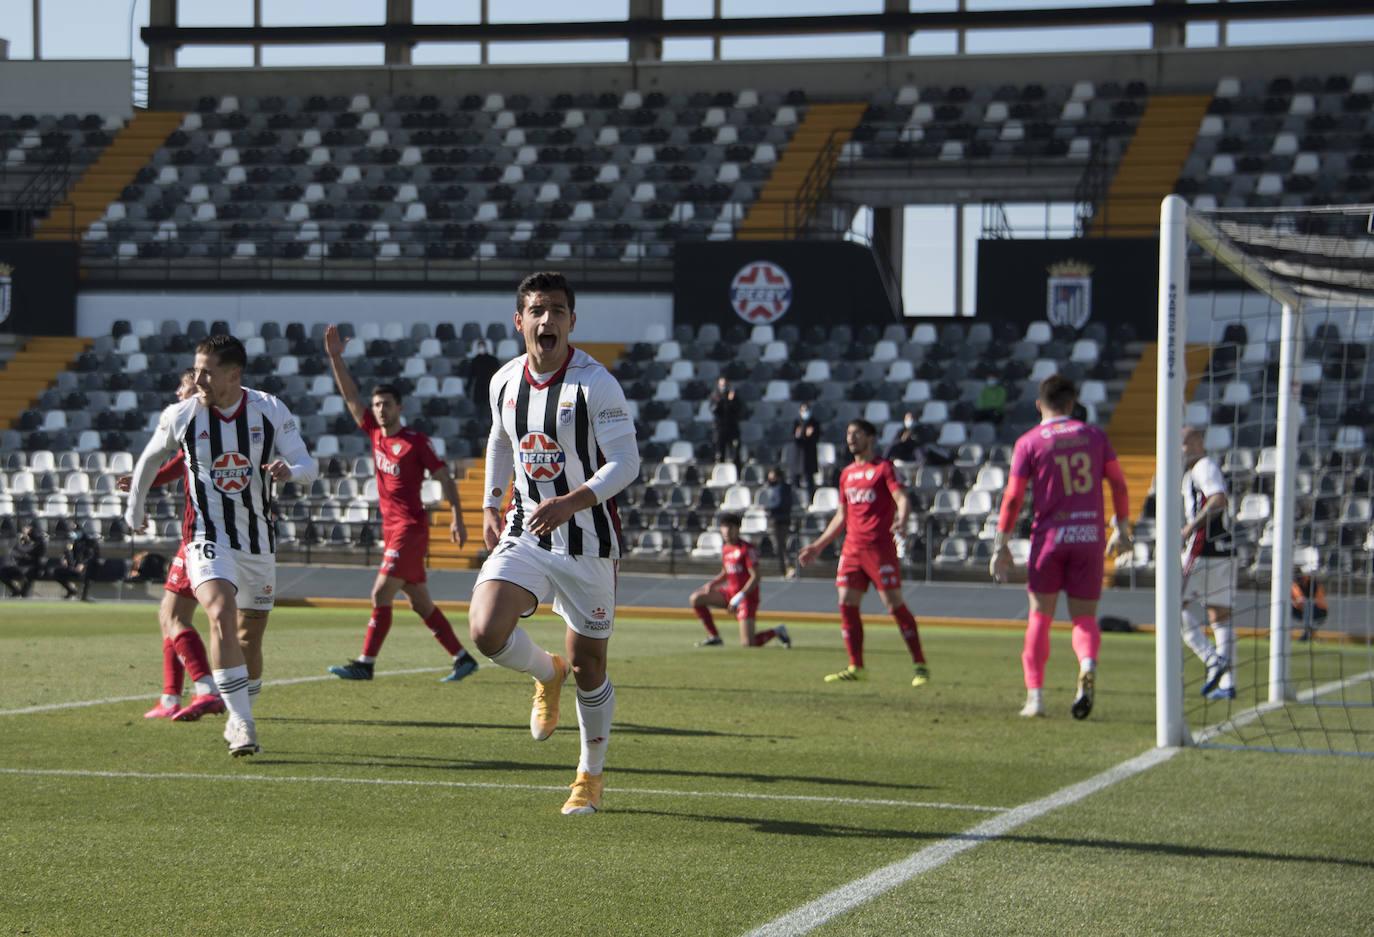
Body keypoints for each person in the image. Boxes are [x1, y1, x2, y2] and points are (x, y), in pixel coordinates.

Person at [467, 271, 639, 816]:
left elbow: (626, 464)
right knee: (485, 628)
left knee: (590, 664)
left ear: (571, 321)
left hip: (589, 541)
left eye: (558, 310)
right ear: (520, 321)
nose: (548, 320)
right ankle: (546, 673)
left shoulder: (596, 384)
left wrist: (571, 502)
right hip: (527, 530)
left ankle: (589, 776)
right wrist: (492, 502)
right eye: (537, 310)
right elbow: (499, 438)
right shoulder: (503, 382)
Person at [125, 334, 318, 756]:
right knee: (219, 611)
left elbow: (309, 465)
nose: (199, 379)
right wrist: (133, 511)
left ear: (234, 374)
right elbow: (149, 460)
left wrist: (290, 470)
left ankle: (241, 704)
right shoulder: (182, 414)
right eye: (196, 370)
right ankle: (242, 722)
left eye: (207, 372)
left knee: (250, 642)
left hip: (258, 542)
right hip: (206, 537)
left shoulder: (268, 409)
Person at [322, 325, 477, 683]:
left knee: (380, 593)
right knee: (420, 602)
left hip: (410, 528)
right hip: (391, 529)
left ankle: (365, 663)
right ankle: (462, 657)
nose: (378, 410)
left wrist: (457, 517)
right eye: (376, 405)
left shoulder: (415, 442)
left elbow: (445, 478)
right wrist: (335, 358)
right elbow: (349, 397)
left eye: (385, 404)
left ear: (399, 407)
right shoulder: (374, 433)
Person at [989, 374, 1132, 720]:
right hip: (1089, 538)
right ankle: (1086, 665)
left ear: (1040, 404)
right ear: (1072, 404)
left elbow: (1012, 498)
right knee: (1084, 619)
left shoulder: (1029, 442)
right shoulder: (1095, 436)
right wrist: (1123, 527)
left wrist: (1001, 544)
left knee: (1039, 617)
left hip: (1050, 539)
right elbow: (1118, 483)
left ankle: (1035, 699)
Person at [119, 368, 224, 722]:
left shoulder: (200, 418)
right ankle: (170, 696)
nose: (180, 392)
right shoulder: (207, 423)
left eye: (185, 386)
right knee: (169, 615)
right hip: (207, 532)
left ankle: (205, 688)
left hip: (203, 533)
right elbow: (180, 464)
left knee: (173, 615)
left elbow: (177, 464)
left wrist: (143, 483)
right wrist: (145, 481)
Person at [797, 418, 930, 686]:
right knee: (846, 604)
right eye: (848, 434)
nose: (851, 439)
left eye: (856, 434)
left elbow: (902, 498)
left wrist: (902, 520)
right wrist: (818, 545)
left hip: (879, 549)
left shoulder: (884, 468)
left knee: (894, 606)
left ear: (870, 438)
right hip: (852, 549)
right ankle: (856, 666)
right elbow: (842, 516)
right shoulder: (846, 474)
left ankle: (920, 665)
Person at [1180, 425, 1236, 700]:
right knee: (1220, 614)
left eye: (1185, 442)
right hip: (1223, 549)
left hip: (1202, 549)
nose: (1182, 448)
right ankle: (1227, 683)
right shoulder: (1196, 469)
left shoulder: (1202, 467)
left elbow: (1218, 499)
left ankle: (1212, 659)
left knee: (1170, 607)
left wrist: (1192, 526)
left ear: (1198, 442)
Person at [689, 512, 791, 649]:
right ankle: (714, 636)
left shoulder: (747, 549)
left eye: (731, 527)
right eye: (724, 527)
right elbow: (726, 572)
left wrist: (739, 597)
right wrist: (712, 583)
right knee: (696, 598)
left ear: (738, 529)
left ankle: (777, 631)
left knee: (748, 644)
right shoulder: (726, 549)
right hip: (729, 593)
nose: (727, 531)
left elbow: (756, 577)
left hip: (746, 597)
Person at [758, 466, 794, 577]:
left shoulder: (780, 489)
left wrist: (767, 507)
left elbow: (778, 504)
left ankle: (787, 568)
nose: (770, 480)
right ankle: (786, 569)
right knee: (780, 546)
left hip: (778, 522)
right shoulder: (785, 488)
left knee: (779, 547)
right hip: (784, 520)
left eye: (772, 478)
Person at [53, 526, 99, 601]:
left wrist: (82, 564)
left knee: (88, 572)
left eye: (77, 531)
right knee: (57, 572)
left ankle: (85, 595)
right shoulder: (74, 542)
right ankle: (71, 591)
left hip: (87, 567)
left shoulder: (89, 542)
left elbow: (90, 556)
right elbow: (71, 554)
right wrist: (65, 558)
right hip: (75, 567)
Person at [0, 519, 45, 597]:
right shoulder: (20, 539)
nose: (24, 529)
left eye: (27, 527)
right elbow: (19, 551)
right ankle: (18, 591)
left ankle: (23, 593)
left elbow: (28, 550)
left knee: (26, 575)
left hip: (33, 566)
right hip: (22, 565)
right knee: (4, 574)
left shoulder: (38, 540)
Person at [788, 402, 821, 507]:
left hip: (809, 455)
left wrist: (808, 436)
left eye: (807, 410)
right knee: (795, 481)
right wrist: (800, 435)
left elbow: (816, 437)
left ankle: (811, 501)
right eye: (803, 410)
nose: (805, 412)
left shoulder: (814, 423)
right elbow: (793, 437)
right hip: (797, 456)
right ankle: (795, 502)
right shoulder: (796, 422)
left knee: (809, 481)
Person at [709, 376, 743, 468]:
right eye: (722, 385)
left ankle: (737, 473)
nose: (724, 387)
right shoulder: (716, 397)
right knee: (720, 454)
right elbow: (713, 410)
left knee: (735, 453)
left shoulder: (733, 396)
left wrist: (731, 401)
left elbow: (738, 409)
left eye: (725, 385)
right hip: (720, 429)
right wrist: (719, 401)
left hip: (732, 429)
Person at [1292, 566, 1328, 641]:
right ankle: (1277, 631)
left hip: (1319, 611)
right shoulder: (1293, 585)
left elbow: (1308, 598)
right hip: (1302, 610)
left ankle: (1307, 634)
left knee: (1308, 604)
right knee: (1285, 607)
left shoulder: (1310, 582)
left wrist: (1300, 601)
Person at [468, 339, 501, 410]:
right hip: (479, 387)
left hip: (489, 385)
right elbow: (471, 375)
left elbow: (497, 374)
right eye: (479, 347)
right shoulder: (475, 360)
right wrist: (468, 388)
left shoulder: (493, 360)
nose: (481, 348)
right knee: (478, 409)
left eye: (482, 346)